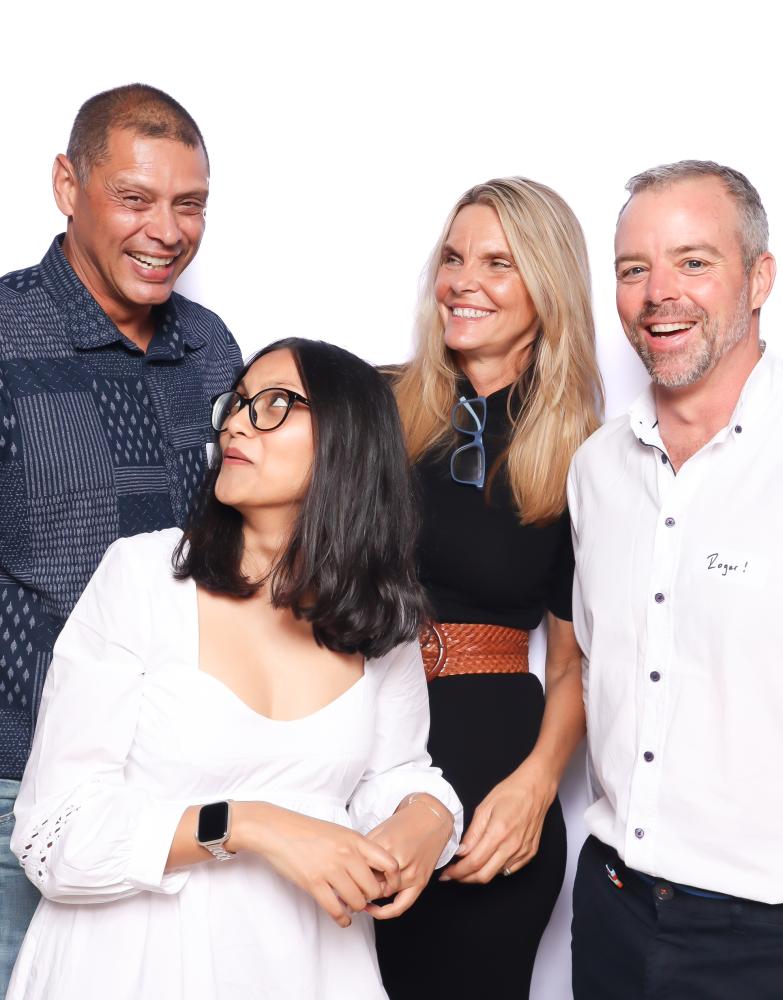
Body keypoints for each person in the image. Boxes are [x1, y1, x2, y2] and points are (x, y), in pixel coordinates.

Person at [7, 337, 462, 1000]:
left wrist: (426, 818)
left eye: (274, 404)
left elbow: (396, 775)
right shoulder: (143, 577)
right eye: (238, 403)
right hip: (132, 965)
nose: (236, 425)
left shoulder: (375, 616)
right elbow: (52, 836)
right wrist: (250, 824)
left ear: (350, 441)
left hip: (307, 966)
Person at [0, 83, 241, 989]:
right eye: (135, 199)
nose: (166, 231)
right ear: (68, 185)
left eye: (190, 204)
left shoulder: (214, 349)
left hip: (179, 798)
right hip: (21, 792)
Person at [375, 177, 603, 997]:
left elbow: (575, 664)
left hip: (492, 778)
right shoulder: (371, 406)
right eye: (452, 258)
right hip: (355, 755)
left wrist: (536, 785)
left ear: (546, 289)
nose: (461, 281)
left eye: (497, 263)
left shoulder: (587, 458)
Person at [568, 161, 781, 999]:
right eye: (633, 268)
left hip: (761, 933)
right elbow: (593, 665)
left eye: (693, 262)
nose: (658, 293)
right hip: (612, 905)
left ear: (758, 278)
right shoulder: (595, 469)